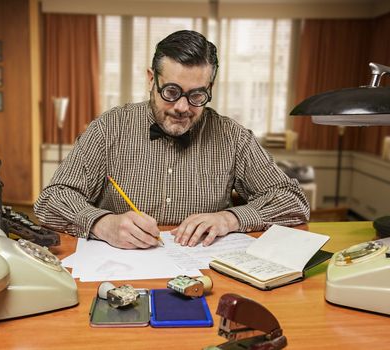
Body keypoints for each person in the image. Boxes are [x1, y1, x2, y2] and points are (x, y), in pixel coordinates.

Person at [34, 30, 309, 249]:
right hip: (119, 273)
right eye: (171, 91)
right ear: (151, 80)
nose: (182, 107)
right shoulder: (109, 128)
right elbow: (51, 201)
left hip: (204, 276)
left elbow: (293, 201)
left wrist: (230, 218)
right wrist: (102, 223)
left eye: (196, 95)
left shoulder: (233, 137)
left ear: (209, 88)